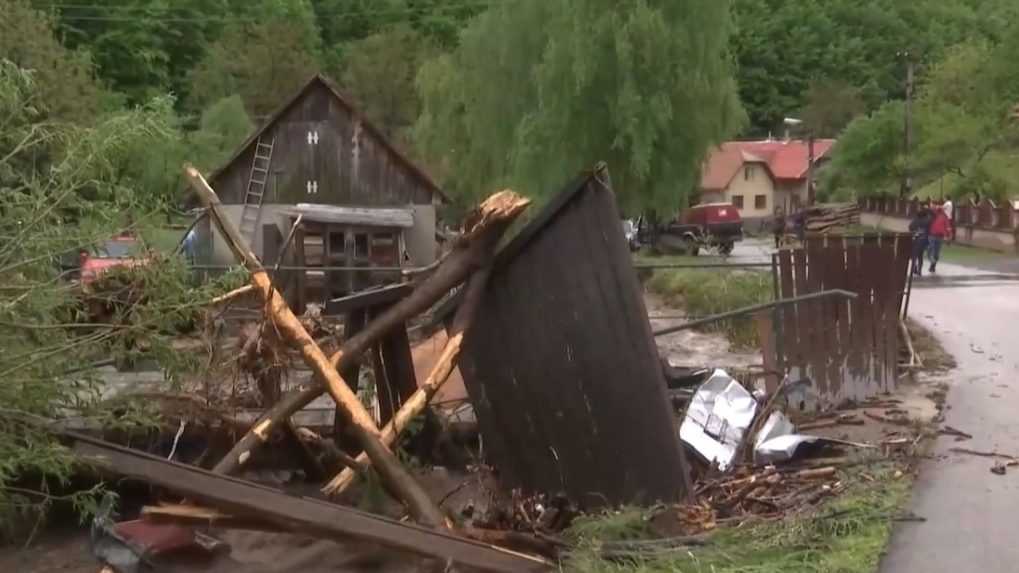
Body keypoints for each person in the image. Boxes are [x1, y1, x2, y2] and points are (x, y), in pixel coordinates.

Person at [908, 206, 932, 276]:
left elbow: (910, 227)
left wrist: (915, 231)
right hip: (923, 241)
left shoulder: (915, 220)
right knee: (920, 256)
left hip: (915, 240)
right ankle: (919, 270)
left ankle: (913, 269)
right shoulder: (927, 221)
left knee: (914, 256)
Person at [928, 205, 950, 273]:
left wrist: (947, 237)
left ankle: (933, 265)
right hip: (932, 235)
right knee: (931, 250)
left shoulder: (944, 217)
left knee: (936, 253)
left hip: (940, 237)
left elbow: (948, 227)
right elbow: (930, 210)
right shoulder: (933, 215)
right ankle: (932, 262)